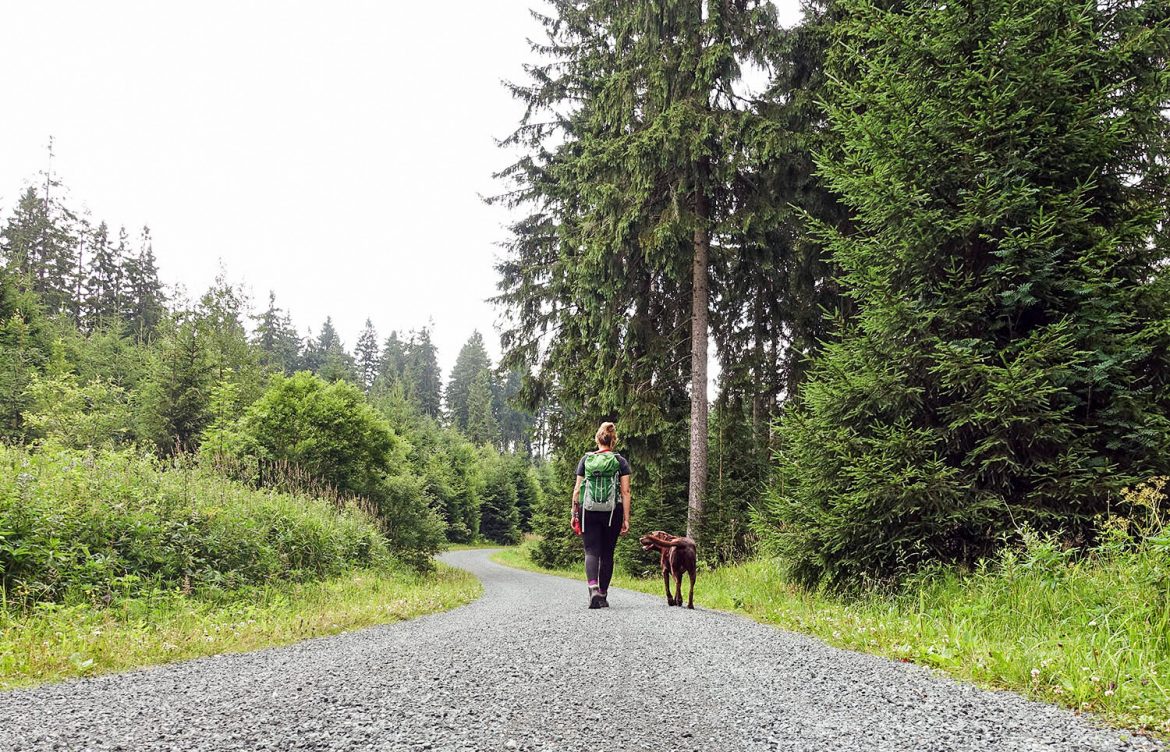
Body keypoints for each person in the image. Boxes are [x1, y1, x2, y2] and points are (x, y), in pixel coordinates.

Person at [571, 421, 631, 609]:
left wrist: (574, 513)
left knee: (591, 550)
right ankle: (603, 595)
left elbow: (577, 490)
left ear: (598, 438)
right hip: (612, 512)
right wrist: (626, 518)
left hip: (588, 510)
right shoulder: (620, 461)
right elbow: (626, 492)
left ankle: (593, 589)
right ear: (613, 441)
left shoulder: (586, 460)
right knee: (607, 553)